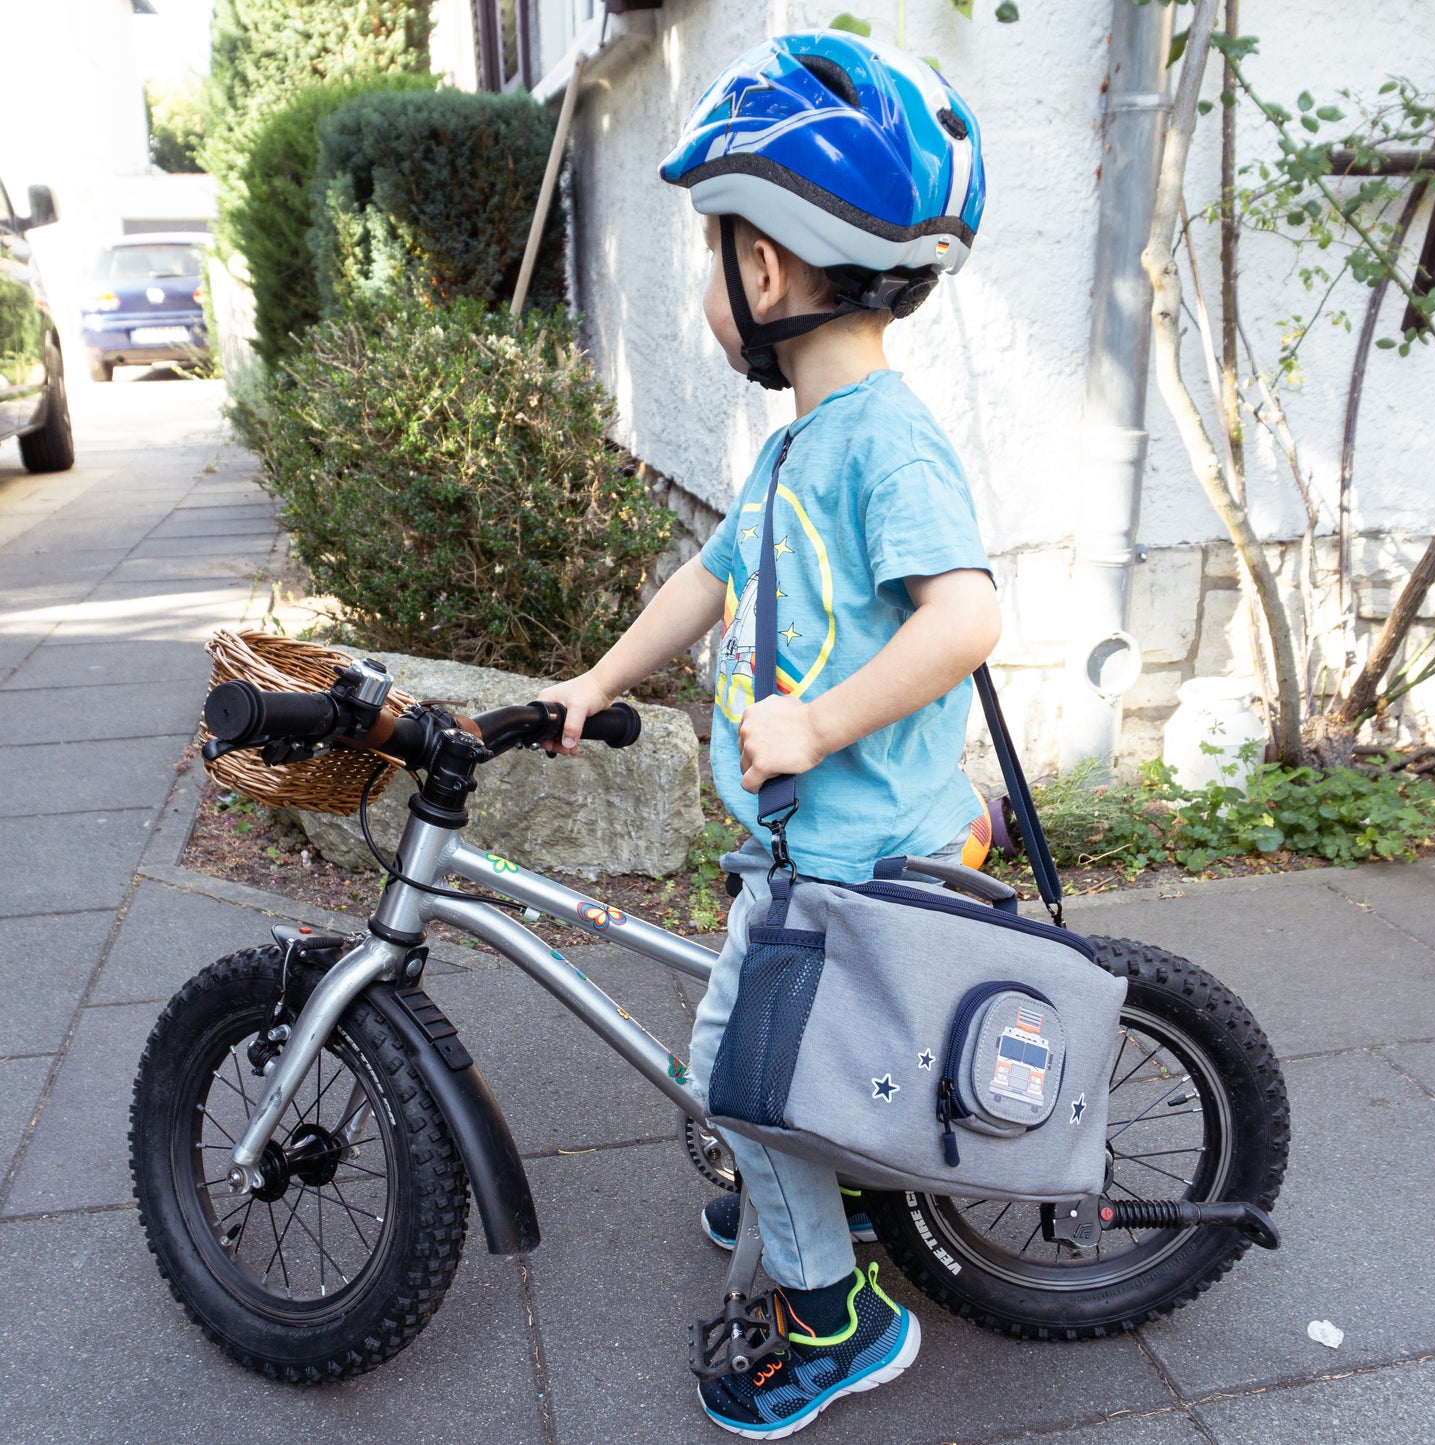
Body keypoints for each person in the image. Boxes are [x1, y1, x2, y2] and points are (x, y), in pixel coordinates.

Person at [538, 31, 1001, 1438]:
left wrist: (814, 720)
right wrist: (595, 681)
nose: (705, 288)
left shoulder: (881, 443)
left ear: (764, 268)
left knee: (735, 1076)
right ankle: (824, 1183)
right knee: (786, 1061)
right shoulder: (801, 447)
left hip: (854, 856)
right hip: (817, 853)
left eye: (710, 254)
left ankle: (835, 1318)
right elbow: (709, 578)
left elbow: (965, 617)